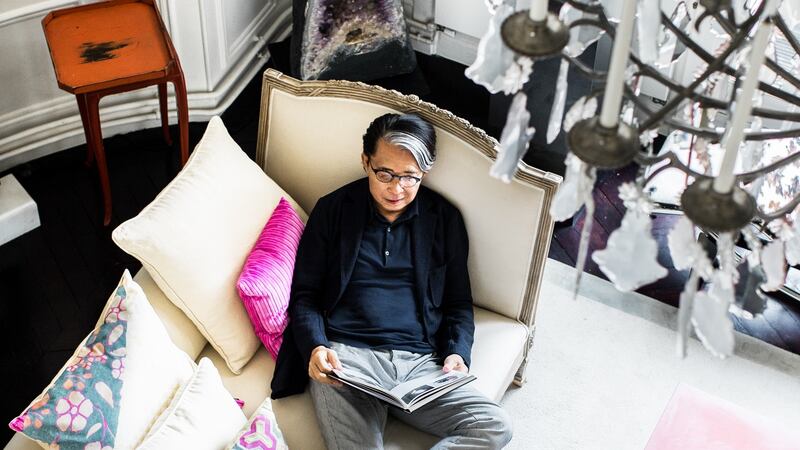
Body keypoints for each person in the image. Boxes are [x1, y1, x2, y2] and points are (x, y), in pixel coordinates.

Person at [270, 113, 513, 449]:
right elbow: (305, 295)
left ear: (425, 171)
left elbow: (458, 302)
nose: (396, 189)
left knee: (495, 426)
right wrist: (316, 346)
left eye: (409, 177)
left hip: (420, 365)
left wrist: (458, 353)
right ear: (365, 161)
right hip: (346, 360)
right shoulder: (333, 210)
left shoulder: (444, 219)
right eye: (385, 173)